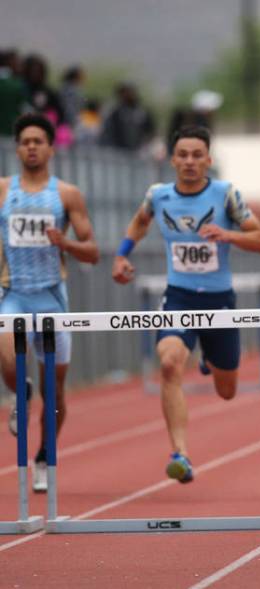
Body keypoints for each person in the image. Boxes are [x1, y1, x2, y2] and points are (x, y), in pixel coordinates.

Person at [111, 125, 260, 483]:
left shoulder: (226, 194)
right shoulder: (158, 195)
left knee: (226, 391)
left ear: (208, 160)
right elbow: (138, 223)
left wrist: (227, 234)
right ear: (172, 160)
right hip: (179, 297)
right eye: (182, 155)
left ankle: (211, 361)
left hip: (219, 301)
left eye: (197, 155)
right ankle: (180, 453)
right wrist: (121, 256)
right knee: (168, 364)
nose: (189, 162)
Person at [1, 113, 100, 492]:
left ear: (50, 148)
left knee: (54, 389)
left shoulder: (66, 195)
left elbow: (91, 252)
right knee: (7, 358)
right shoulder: (3, 190)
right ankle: (19, 390)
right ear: (17, 148)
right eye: (24, 141)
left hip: (51, 298)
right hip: (11, 295)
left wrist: (66, 244)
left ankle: (44, 455)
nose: (30, 147)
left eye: (37, 141)